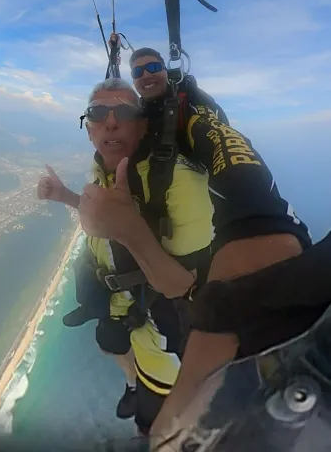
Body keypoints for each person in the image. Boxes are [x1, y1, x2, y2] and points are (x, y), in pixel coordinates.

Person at [113, 47, 313, 442]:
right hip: (141, 255)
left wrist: (260, 223)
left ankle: (157, 419)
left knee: (178, 345)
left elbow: (230, 150)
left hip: (189, 265)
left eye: (154, 67)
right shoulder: (134, 116)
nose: (147, 75)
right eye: (138, 71)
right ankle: (139, 391)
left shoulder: (190, 113)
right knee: (116, 332)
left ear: (166, 73)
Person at [38, 77, 215, 435]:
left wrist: (130, 231)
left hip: (162, 355)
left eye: (123, 112)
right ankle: (131, 383)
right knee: (109, 347)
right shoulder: (103, 168)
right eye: (99, 113)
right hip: (114, 304)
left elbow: (189, 289)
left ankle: (142, 394)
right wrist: (66, 197)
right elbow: (106, 214)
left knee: (152, 429)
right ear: (89, 129)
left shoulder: (180, 185)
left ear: (143, 124)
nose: (111, 121)